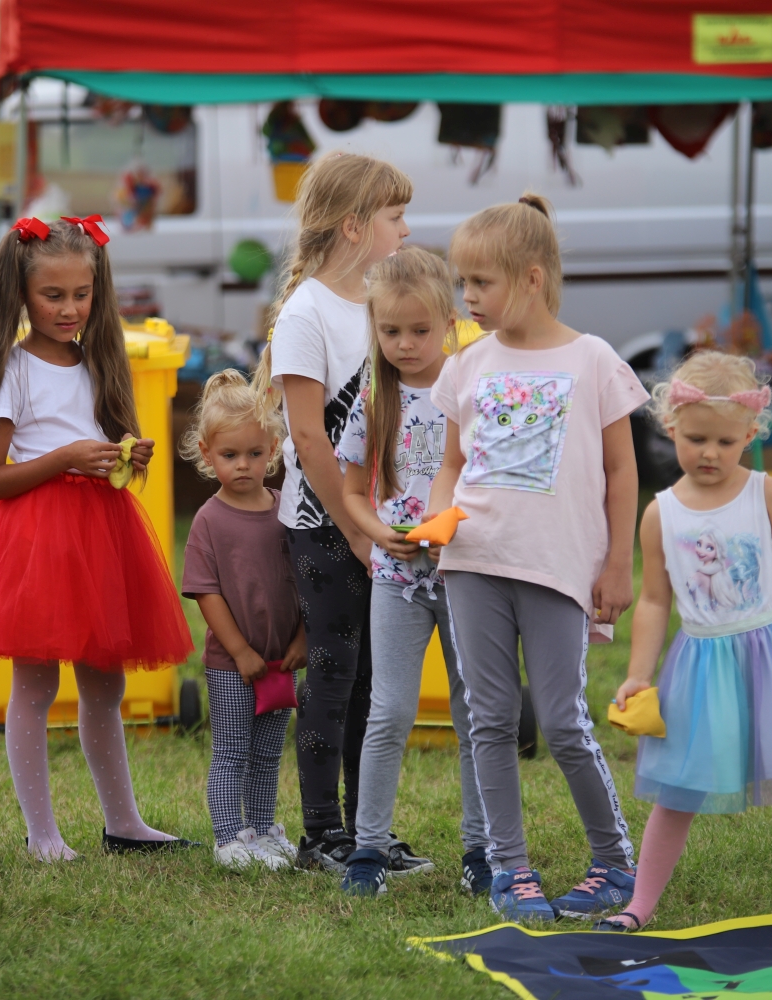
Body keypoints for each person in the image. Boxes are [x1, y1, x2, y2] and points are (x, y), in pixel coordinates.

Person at [0, 216, 195, 862]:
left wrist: (127, 457)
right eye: (53, 296)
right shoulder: (12, 369)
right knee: (35, 688)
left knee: (106, 685)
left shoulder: (99, 360)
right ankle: (42, 834)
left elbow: (98, 447)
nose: (70, 309)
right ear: (20, 293)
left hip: (100, 534)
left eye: (82, 293)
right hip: (36, 539)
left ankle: (124, 822)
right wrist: (68, 457)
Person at [426, 195, 647, 923]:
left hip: (557, 569)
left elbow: (623, 472)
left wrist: (619, 566)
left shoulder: (594, 360)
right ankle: (508, 869)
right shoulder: (466, 364)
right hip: (473, 561)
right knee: (489, 720)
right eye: (463, 284)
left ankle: (614, 864)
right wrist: (435, 519)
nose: (468, 299)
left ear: (529, 278)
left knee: (561, 721)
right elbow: (452, 462)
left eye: (479, 285)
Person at [597, 351, 772, 945]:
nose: (709, 453)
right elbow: (657, 601)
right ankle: (640, 905)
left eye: (724, 440)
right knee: (676, 794)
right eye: (696, 439)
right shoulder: (659, 513)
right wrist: (641, 674)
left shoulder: (768, 495)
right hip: (701, 665)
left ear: (750, 433)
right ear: (670, 429)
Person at [252, 152, 413, 873]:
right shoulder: (306, 313)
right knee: (336, 670)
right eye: (394, 215)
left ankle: (366, 828)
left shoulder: (383, 305)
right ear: (354, 225)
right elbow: (310, 439)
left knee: (377, 683)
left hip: (380, 525)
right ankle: (321, 833)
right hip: (325, 528)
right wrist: (354, 529)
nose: (406, 228)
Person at [334, 247, 490, 897]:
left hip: (468, 576)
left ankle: (483, 849)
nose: (404, 343)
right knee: (389, 712)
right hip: (397, 581)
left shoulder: (474, 388)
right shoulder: (374, 397)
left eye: (419, 330)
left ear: (451, 322)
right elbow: (350, 493)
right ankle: (368, 849)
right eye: (390, 331)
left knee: (477, 713)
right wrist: (379, 537)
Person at [179, 370, 306, 870]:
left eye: (255, 454)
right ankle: (230, 837)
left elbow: (304, 580)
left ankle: (262, 829)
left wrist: (301, 637)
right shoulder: (210, 519)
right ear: (208, 454)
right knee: (233, 750)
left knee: (269, 752)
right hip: (234, 663)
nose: (243, 465)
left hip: (282, 658)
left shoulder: (285, 509)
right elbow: (205, 593)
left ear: (273, 449)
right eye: (230, 455)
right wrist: (240, 652)